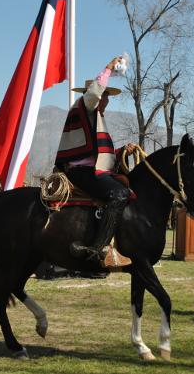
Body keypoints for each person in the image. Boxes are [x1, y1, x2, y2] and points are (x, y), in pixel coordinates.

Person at [54, 56, 136, 268]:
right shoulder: (85, 106)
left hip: (89, 169)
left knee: (125, 190)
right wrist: (109, 68)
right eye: (106, 96)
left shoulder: (96, 118)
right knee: (120, 194)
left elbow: (101, 155)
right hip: (80, 171)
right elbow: (93, 92)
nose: (107, 100)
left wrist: (121, 152)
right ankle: (98, 249)